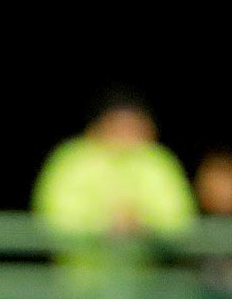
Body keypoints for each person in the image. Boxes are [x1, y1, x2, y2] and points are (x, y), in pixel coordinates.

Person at [31, 93, 197, 240]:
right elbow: (53, 215)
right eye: (118, 124)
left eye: (133, 124)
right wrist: (101, 223)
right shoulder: (73, 157)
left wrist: (143, 222)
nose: (126, 132)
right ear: (98, 125)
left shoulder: (157, 160)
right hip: (80, 272)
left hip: (148, 272)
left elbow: (179, 218)